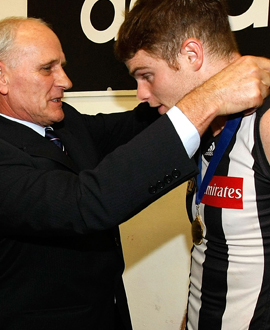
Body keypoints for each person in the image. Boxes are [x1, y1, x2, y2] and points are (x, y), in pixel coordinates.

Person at [0, 16, 269, 330]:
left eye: (61, 65)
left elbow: (137, 125)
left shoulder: (64, 122)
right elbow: (83, 202)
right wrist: (209, 97)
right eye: (47, 68)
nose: (66, 80)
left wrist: (199, 84)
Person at [115, 0, 270, 329]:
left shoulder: (265, 124)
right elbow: (208, 245)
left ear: (191, 54)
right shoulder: (198, 125)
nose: (141, 92)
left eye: (146, 75)